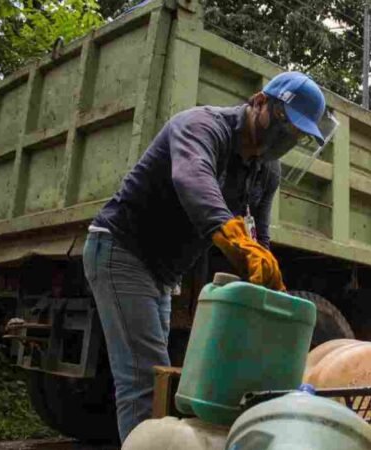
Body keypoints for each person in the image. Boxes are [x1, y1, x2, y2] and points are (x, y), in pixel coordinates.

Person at [82, 71, 337, 441]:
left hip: (163, 274)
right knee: (144, 382)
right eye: (285, 124)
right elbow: (192, 178)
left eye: (298, 135)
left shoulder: (267, 170)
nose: (287, 139)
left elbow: (259, 238)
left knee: (159, 380)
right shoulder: (201, 126)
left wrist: (270, 288)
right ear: (259, 102)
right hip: (121, 249)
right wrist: (231, 234)